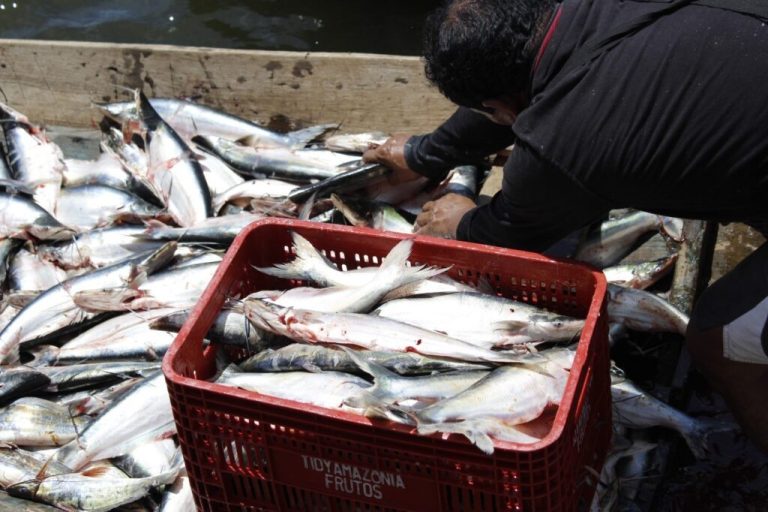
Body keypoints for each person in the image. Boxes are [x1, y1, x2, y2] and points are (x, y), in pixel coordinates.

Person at [362, 0, 768, 452]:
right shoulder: (584, 12)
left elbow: (509, 234)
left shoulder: (561, 144)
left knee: (717, 337)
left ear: (497, 105)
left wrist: (461, 222)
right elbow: (523, 98)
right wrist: (425, 153)